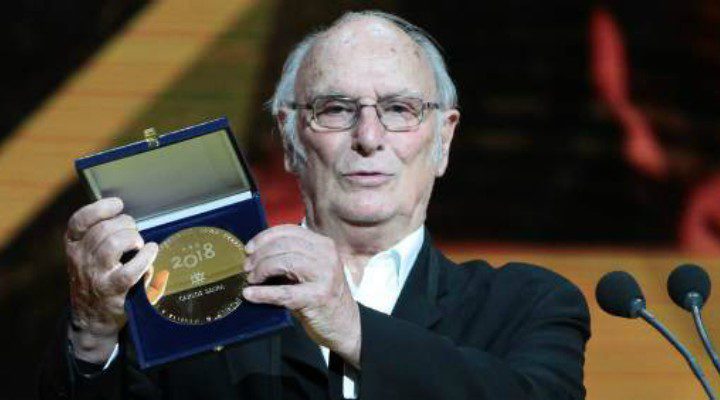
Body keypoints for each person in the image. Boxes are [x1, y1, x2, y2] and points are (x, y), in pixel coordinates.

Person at [39, 10, 590, 400]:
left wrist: (353, 328)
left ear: (443, 140)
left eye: (400, 108)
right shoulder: (188, 297)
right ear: (290, 137)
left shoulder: (526, 304)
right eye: (335, 108)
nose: (369, 136)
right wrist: (93, 334)